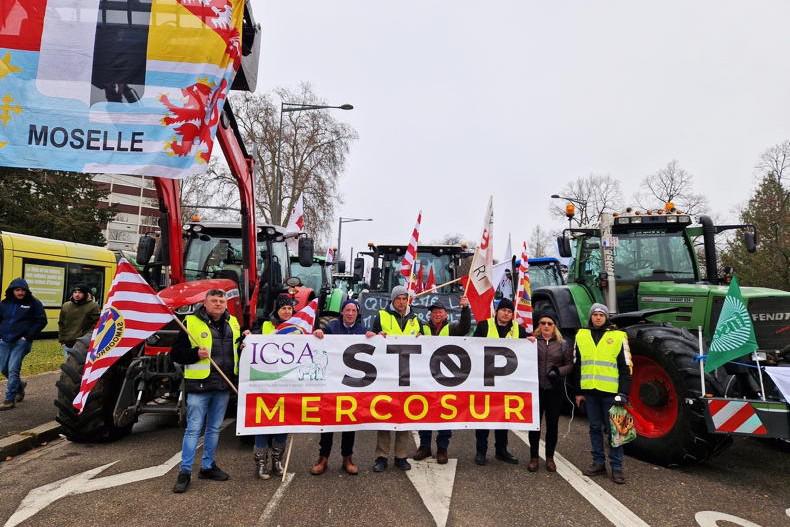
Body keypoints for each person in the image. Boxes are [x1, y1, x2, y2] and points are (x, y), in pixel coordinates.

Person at [171, 289, 240, 493]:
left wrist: (246, 339)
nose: (218, 304)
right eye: (214, 300)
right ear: (205, 303)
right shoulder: (190, 323)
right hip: (199, 386)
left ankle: (208, 467)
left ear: (226, 304)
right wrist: (194, 354)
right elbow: (175, 354)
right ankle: (185, 472)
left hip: (222, 385)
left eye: (222, 300)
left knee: (214, 428)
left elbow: (238, 351)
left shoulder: (234, 323)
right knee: (193, 429)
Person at [366, 285, 425, 472]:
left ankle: (401, 456)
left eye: (404, 298)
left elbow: (426, 342)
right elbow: (372, 339)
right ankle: (381, 457)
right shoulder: (382, 316)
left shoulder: (416, 320)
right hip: (386, 374)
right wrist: (376, 336)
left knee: (404, 416)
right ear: (392, 300)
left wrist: (423, 338)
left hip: (407, 375)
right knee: (385, 415)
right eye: (398, 298)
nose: (401, 302)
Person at [573, 303, 632, 485]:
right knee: (594, 428)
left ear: (606, 317)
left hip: (612, 394)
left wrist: (623, 392)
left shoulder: (618, 336)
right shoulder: (581, 335)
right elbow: (577, 365)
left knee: (616, 431)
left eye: (601, 314)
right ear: (590, 317)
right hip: (590, 393)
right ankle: (598, 462)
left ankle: (616, 467)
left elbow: (625, 367)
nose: (597, 317)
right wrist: (579, 391)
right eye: (595, 314)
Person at [310, 299, 366, 476]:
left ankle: (347, 458)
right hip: (332, 382)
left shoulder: (362, 331)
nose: (350, 313)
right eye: (347, 310)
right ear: (342, 312)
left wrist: (379, 337)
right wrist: (318, 332)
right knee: (328, 420)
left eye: (353, 311)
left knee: (349, 421)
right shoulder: (332, 327)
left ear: (357, 314)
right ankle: (323, 457)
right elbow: (319, 337)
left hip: (351, 383)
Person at [413, 296, 471, 464]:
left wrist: (465, 309)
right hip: (425, 379)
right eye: (434, 312)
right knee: (424, 413)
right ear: (430, 315)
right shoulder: (422, 329)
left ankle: (442, 448)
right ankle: (424, 446)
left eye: (440, 311)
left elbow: (465, 327)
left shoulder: (452, 328)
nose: (437, 314)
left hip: (446, 379)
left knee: (445, 414)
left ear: (446, 314)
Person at [472, 297, 525, 465]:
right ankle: (481, 451)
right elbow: (471, 347)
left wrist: (531, 340)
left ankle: (502, 450)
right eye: (503, 310)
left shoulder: (518, 329)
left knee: (503, 417)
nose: (506, 314)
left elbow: (526, 349)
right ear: (497, 311)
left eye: (509, 311)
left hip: (507, 382)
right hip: (485, 380)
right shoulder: (484, 326)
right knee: (483, 417)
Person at [252, 293, 295, 480]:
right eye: (283, 308)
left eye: (289, 309)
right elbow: (249, 346)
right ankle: (261, 464)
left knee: (282, 423)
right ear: (276, 309)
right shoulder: (264, 326)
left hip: (287, 383)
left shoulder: (298, 328)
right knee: (263, 423)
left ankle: (277, 460)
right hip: (265, 383)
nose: (286, 312)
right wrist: (246, 341)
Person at [527, 310, 573, 473]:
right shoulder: (531, 341)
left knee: (552, 425)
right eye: (543, 323)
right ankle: (533, 457)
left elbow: (570, 365)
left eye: (549, 323)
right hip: (536, 389)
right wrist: (526, 343)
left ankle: (550, 458)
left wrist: (558, 371)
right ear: (538, 325)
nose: (546, 326)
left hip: (554, 390)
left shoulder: (563, 344)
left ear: (554, 326)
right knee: (534, 426)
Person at [0, 278, 47, 410]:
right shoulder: (4, 304)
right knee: (3, 368)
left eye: (23, 290)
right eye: (17, 290)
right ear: (12, 291)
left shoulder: (34, 303)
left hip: (21, 342)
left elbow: (42, 321)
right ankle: (20, 386)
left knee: (13, 369)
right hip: (4, 341)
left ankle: (9, 400)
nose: (20, 292)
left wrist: (27, 336)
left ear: (27, 291)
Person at [58, 284, 100, 359]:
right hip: (67, 342)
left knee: (77, 367)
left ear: (86, 294)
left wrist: (86, 339)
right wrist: (62, 339)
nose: (77, 294)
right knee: (69, 365)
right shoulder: (66, 305)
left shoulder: (93, 306)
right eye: (75, 292)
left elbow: (96, 324)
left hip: (82, 343)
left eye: (80, 292)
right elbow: (61, 323)